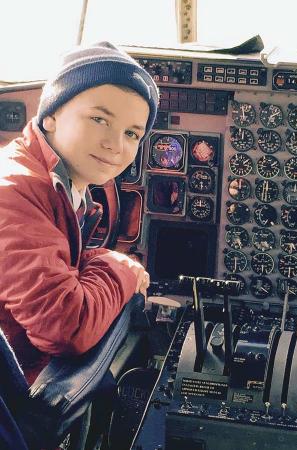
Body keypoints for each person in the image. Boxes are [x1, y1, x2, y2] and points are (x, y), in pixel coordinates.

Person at [0, 42, 158, 385]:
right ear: (52, 115)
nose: (116, 145)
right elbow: (65, 327)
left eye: (132, 133)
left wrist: (95, 258)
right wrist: (121, 267)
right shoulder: (13, 191)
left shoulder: (55, 183)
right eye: (99, 119)